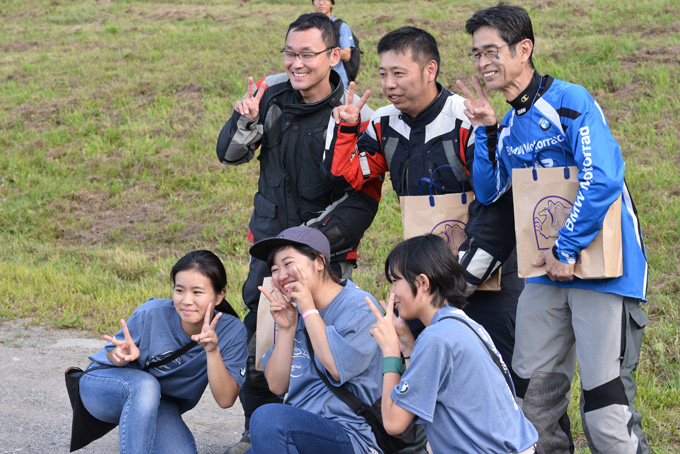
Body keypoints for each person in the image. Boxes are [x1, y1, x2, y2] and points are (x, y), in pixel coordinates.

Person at [457, 4, 649, 454]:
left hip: (604, 270)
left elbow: (602, 177)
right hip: (543, 270)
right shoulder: (506, 128)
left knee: (606, 410)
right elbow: (489, 193)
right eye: (475, 54)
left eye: (491, 51)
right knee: (531, 398)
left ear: (524, 49)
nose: (483, 63)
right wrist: (486, 132)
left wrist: (567, 246)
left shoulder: (571, 100)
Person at [215, 13, 378, 454]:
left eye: (308, 54)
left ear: (334, 56)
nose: (297, 63)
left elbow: (362, 198)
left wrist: (311, 244)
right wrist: (244, 121)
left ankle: (328, 433)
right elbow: (229, 156)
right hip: (269, 251)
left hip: (324, 255)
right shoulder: (270, 95)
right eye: (291, 53)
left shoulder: (352, 112)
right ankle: (260, 431)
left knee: (324, 346)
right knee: (263, 337)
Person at [323, 26, 521, 374]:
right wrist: (347, 130)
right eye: (383, 74)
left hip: (490, 271)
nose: (388, 84)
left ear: (430, 70)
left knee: (502, 372)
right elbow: (348, 176)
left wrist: (460, 280)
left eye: (399, 73)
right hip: (424, 277)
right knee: (420, 367)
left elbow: (496, 203)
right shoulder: (383, 123)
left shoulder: (467, 115)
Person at [366, 234, 540, 454]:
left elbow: (393, 422)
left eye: (395, 281)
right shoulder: (459, 323)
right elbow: (421, 394)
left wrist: (390, 352)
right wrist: (408, 346)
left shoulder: (436, 339)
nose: (392, 293)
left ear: (422, 283)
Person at [78, 250, 248, 454]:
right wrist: (120, 356)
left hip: (160, 403)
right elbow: (110, 356)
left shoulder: (233, 331)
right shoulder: (152, 312)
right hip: (103, 388)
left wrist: (212, 351)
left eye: (197, 292)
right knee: (146, 385)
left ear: (220, 295)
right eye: (179, 290)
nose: (186, 300)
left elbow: (225, 400)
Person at [245, 226, 382, 454]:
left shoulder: (359, 305)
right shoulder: (293, 312)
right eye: (275, 269)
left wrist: (308, 310)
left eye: (288, 264)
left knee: (266, 417)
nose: (280, 276)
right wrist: (286, 329)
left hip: (351, 436)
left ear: (319, 262)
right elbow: (277, 385)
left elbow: (336, 368)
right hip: (299, 433)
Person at [312, 0, 356, 87]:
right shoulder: (307, 26)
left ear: (332, 4)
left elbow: (347, 55)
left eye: (325, 0)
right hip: (314, 80)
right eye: (317, 0)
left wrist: (323, 50)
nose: (321, 3)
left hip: (337, 81)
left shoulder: (341, 26)